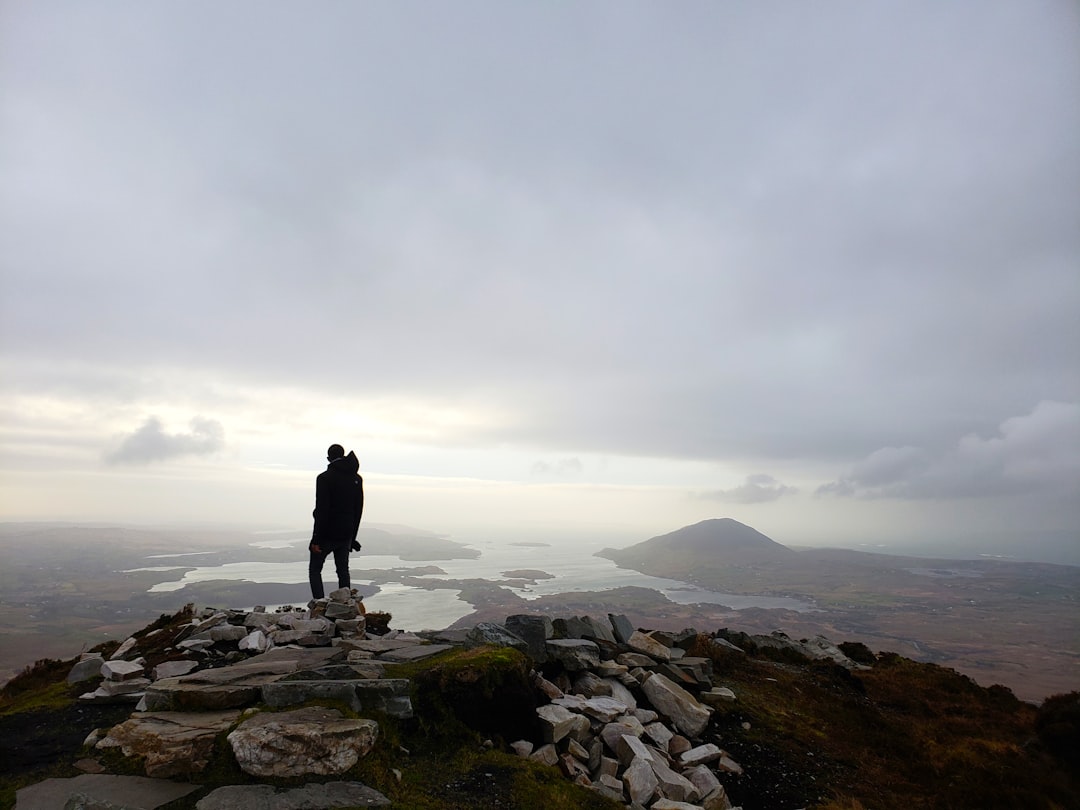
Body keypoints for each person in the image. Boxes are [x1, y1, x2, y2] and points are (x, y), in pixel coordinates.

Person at [308, 443, 364, 600]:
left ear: (328, 458)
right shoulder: (356, 479)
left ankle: (319, 604)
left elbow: (322, 509)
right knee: (343, 570)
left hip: (326, 533)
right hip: (346, 532)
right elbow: (358, 510)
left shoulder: (324, 478)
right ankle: (345, 604)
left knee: (315, 569)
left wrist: (316, 539)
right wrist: (352, 537)